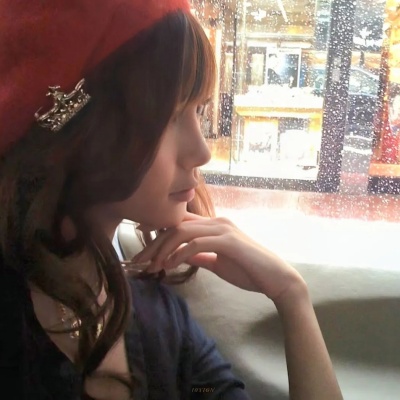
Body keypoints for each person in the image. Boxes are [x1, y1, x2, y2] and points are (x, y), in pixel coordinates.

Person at [0, 1, 343, 399]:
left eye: (199, 112)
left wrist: (291, 295)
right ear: (85, 130)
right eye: (171, 116)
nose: (202, 152)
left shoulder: (161, 321)